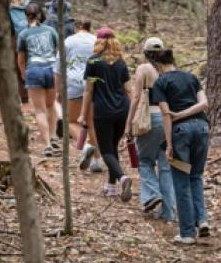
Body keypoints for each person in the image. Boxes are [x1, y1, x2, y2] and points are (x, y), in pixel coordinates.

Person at [151, 47, 209, 244]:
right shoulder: (191, 77)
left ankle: (187, 233)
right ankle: (201, 220)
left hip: (180, 134)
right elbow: (204, 104)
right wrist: (187, 113)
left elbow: (166, 114)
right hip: (202, 128)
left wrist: (168, 145)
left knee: (181, 180)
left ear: (158, 65)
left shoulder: (161, 82)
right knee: (196, 176)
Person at [79, 27, 133, 200]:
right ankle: (112, 187)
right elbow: (128, 90)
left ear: (99, 41)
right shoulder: (121, 62)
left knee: (106, 150)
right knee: (113, 147)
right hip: (122, 110)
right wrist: (133, 113)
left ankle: (122, 178)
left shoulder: (93, 61)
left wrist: (83, 114)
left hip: (103, 111)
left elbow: (88, 90)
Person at [126, 37, 176, 222]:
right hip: (168, 119)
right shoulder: (171, 70)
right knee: (165, 167)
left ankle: (153, 194)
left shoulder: (144, 69)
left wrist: (129, 123)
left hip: (149, 119)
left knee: (144, 161)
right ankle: (168, 212)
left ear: (145, 53)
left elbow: (136, 97)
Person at [54, 19, 103, 172]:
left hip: (74, 85)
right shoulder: (96, 41)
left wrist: (58, 90)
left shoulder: (68, 42)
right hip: (93, 84)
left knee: (70, 121)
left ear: (77, 27)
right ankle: (97, 161)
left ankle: (86, 145)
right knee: (91, 124)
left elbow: (58, 68)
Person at [16, 2, 60, 156]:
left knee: (40, 110)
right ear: (40, 14)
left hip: (34, 70)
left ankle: (47, 144)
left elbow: (21, 60)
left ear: (26, 16)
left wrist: (24, 74)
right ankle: (53, 136)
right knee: (51, 105)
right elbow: (58, 52)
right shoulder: (51, 31)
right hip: (51, 69)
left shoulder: (23, 34)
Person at [9, 0, 30, 104]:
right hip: (30, 40)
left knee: (20, 68)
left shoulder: (10, 10)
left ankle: (24, 96)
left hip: (19, 41)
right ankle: (26, 96)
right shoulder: (30, 7)